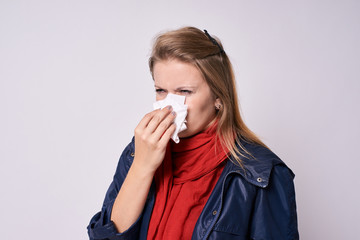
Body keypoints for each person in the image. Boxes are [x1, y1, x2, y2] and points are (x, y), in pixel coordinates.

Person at [87, 26, 299, 240]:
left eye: (185, 91)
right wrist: (142, 167)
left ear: (218, 97)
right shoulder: (138, 151)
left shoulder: (261, 173)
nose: (170, 104)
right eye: (161, 90)